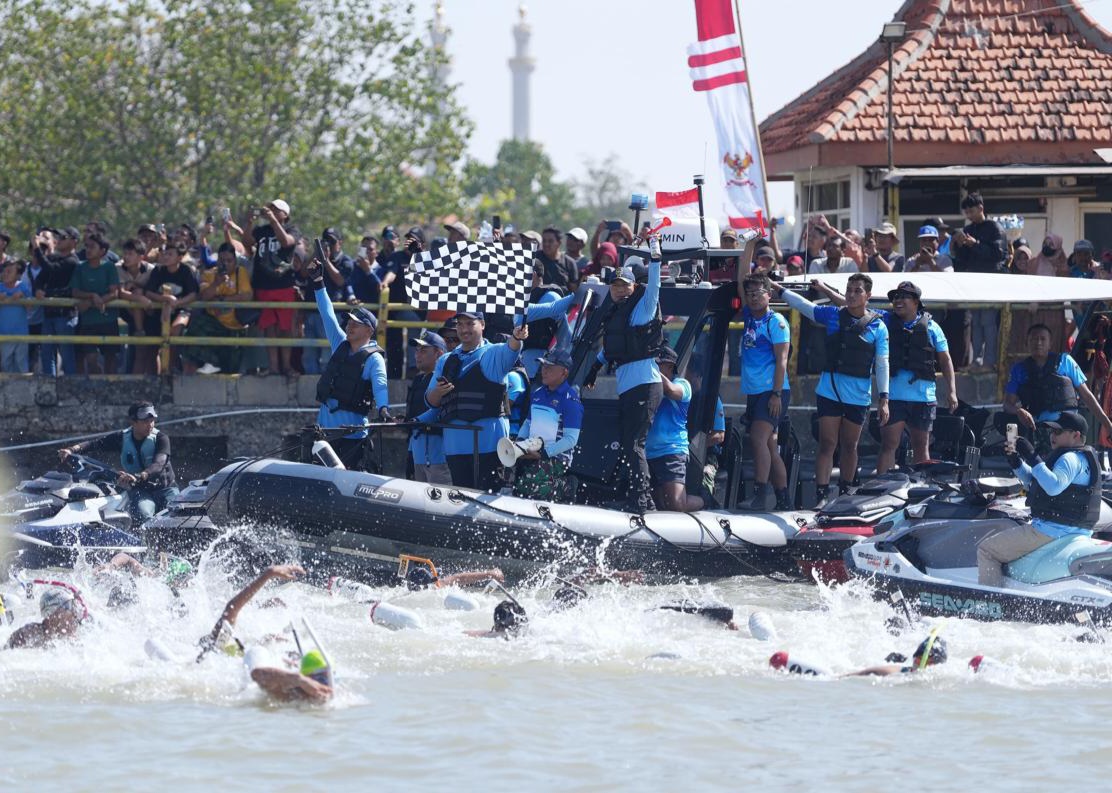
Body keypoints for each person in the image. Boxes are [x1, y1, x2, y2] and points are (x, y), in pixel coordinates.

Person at [773, 274, 889, 506]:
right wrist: (778, 288)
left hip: (858, 396)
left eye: (857, 291)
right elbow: (803, 306)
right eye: (849, 290)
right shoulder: (834, 315)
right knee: (827, 443)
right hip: (829, 391)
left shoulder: (879, 324)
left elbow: (882, 362)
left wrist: (884, 399)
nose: (852, 294)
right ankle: (822, 495)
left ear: (868, 295)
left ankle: (845, 493)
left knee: (850, 445)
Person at [584, 236, 665, 514]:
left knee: (634, 444)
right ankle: (643, 498)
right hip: (630, 387)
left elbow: (654, 287)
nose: (619, 290)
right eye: (615, 285)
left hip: (645, 385)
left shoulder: (643, 307)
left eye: (624, 285)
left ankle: (641, 501)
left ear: (633, 287)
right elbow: (612, 348)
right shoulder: (616, 313)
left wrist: (655, 258)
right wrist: (594, 368)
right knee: (629, 443)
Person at [978, 412, 1101, 587]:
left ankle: (990, 601)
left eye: (1058, 432)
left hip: (1051, 531)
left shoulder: (1069, 458)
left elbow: (1053, 486)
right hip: (1073, 530)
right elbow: (1036, 482)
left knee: (987, 550)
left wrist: (1032, 456)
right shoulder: (1080, 458)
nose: (1052, 436)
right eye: (1051, 431)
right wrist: (1016, 462)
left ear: (1076, 435)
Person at [424, 311, 529, 491]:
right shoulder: (445, 360)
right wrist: (439, 392)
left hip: (490, 447)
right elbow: (430, 401)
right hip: (455, 447)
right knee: (459, 498)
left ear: (482, 325)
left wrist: (517, 337)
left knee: (488, 498)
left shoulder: (495, 352)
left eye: (470, 324)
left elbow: (512, 347)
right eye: (460, 324)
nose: (464, 329)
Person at [306, 258, 390, 471]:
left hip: (352, 437)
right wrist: (318, 282)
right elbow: (327, 314)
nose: (350, 326)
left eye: (356, 324)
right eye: (349, 322)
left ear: (369, 330)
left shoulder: (374, 358)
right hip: (325, 434)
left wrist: (384, 408)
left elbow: (380, 385)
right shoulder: (340, 343)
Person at [59, 401, 179, 522]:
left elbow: (159, 464)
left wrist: (139, 475)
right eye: (145, 421)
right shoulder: (121, 438)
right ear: (133, 422)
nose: (150, 425)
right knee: (144, 516)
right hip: (141, 491)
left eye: (152, 421)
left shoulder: (161, 438)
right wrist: (71, 449)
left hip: (166, 489)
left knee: (177, 514)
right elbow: (95, 444)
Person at [1000, 323, 1112, 440]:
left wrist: (1108, 424)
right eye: (1034, 339)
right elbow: (1007, 404)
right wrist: (1018, 411)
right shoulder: (1018, 369)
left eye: (1043, 339)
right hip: (1037, 429)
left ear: (1050, 343)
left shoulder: (1066, 361)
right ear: (1026, 343)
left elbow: (1087, 396)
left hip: (1067, 428)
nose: (1038, 343)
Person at [737, 274, 791, 510]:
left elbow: (782, 361)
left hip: (772, 391)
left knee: (758, 439)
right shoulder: (749, 317)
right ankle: (784, 499)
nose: (752, 298)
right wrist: (748, 252)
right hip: (755, 391)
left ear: (769, 295)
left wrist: (776, 394)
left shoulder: (776, 322)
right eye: (749, 294)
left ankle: (760, 495)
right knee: (769, 446)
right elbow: (742, 276)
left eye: (758, 293)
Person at [235, 199, 298, 376]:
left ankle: (287, 366)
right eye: (270, 208)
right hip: (263, 286)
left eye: (276, 209)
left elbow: (286, 242)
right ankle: (274, 367)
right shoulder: (261, 230)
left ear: (285, 214)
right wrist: (249, 222)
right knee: (269, 327)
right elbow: (247, 242)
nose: (271, 210)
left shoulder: (292, 229)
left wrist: (274, 221)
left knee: (285, 328)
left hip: (284, 285)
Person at [511, 349, 584, 500]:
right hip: (533, 450)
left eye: (549, 367)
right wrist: (519, 443)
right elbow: (528, 423)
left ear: (564, 372)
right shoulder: (537, 394)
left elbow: (571, 439)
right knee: (510, 480)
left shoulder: (570, 401)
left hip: (556, 458)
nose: (544, 370)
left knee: (529, 488)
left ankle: (567, 486)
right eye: (543, 366)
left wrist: (543, 454)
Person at [645, 346, 703, 513]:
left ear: (670, 367)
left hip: (671, 450)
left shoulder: (682, 384)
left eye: (658, 365)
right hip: (649, 453)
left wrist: (648, 367)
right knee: (660, 504)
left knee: (676, 505)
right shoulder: (651, 386)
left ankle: (705, 500)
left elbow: (670, 390)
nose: (654, 368)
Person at [951, 192, 1006, 370]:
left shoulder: (994, 228)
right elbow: (963, 260)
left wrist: (974, 244)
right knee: (976, 322)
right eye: (966, 213)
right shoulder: (969, 229)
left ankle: (989, 361)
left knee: (988, 322)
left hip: (991, 282)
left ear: (981, 208)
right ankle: (977, 361)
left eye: (971, 211)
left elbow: (998, 254)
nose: (969, 216)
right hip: (974, 282)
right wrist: (959, 245)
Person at [182, 243, 252, 375]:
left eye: (229, 261)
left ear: (235, 261)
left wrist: (222, 300)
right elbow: (204, 296)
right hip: (214, 324)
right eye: (222, 260)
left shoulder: (240, 272)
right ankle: (189, 377)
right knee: (192, 340)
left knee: (231, 369)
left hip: (236, 326)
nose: (225, 264)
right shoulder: (209, 274)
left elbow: (247, 295)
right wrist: (216, 283)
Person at [141, 242, 199, 374]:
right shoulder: (158, 270)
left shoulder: (186, 271)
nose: (166, 257)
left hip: (181, 311)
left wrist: (177, 303)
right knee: (152, 348)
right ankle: (155, 377)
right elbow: (148, 292)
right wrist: (166, 299)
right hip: (158, 312)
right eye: (165, 254)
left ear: (179, 257)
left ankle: (171, 370)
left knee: (174, 334)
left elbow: (193, 294)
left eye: (170, 254)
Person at [405, 329, 451, 485]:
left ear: (439, 354)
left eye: (423, 350)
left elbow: (438, 411)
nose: (417, 355)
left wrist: (416, 420)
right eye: (417, 350)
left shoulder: (444, 380)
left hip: (439, 458)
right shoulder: (418, 380)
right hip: (417, 456)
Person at [30, 228, 78, 376]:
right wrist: (38, 289)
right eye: (58, 237)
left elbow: (52, 269)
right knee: (46, 353)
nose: (59, 239)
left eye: (63, 237)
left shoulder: (72, 261)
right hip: (49, 313)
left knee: (66, 354)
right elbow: (40, 279)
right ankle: (49, 384)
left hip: (65, 315)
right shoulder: (52, 258)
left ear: (74, 242)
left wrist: (37, 248)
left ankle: (70, 386)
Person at [3, 587, 86, 650]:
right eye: (69, 606)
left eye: (74, 606)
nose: (74, 613)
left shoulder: (76, 643)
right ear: (51, 615)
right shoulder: (27, 635)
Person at [843, 634, 948, 677]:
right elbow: (871, 671)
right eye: (918, 658)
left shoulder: (943, 676)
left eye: (927, 661)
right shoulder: (895, 672)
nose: (918, 662)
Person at [0, 258, 31, 372]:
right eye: (4, 271)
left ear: (18, 275)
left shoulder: (23, 287)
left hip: (21, 333)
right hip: (4, 333)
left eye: (9, 271)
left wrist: (23, 298)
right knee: (6, 361)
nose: (5, 274)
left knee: (21, 361)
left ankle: (22, 382)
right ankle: (9, 383)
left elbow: (30, 307)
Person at [534, 227, 579, 292]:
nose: (546, 244)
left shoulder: (569, 263)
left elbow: (574, 290)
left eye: (550, 241)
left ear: (559, 243)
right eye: (544, 241)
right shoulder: (535, 258)